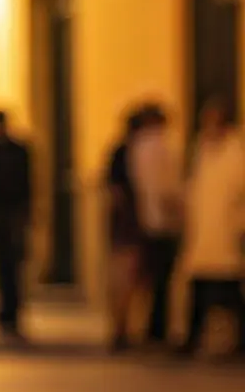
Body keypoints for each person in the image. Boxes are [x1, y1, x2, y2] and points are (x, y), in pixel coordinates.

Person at [177, 97, 245, 358]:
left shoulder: (236, 152)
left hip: (226, 232)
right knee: (199, 290)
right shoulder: (201, 150)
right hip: (203, 233)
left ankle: (238, 340)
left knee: (230, 292)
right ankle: (193, 338)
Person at [129, 103, 183, 348]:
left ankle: (147, 328)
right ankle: (156, 329)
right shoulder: (161, 147)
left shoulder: (138, 147)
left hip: (145, 220)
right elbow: (167, 187)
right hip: (162, 222)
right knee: (161, 279)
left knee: (149, 279)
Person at [0, 110, 32, 342]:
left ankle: (11, 312)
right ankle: (8, 312)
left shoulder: (5, 152)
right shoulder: (1, 152)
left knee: (9, 266)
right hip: (5, 216)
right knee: (6, 267)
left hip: (8, 216)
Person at [105, 110, 146, 351]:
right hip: (130, 228)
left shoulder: (121, 152)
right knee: (127, 278)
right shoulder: (129, 154)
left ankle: (123, 327)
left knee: (124, 278)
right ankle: (122, 327)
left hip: (124, 227)